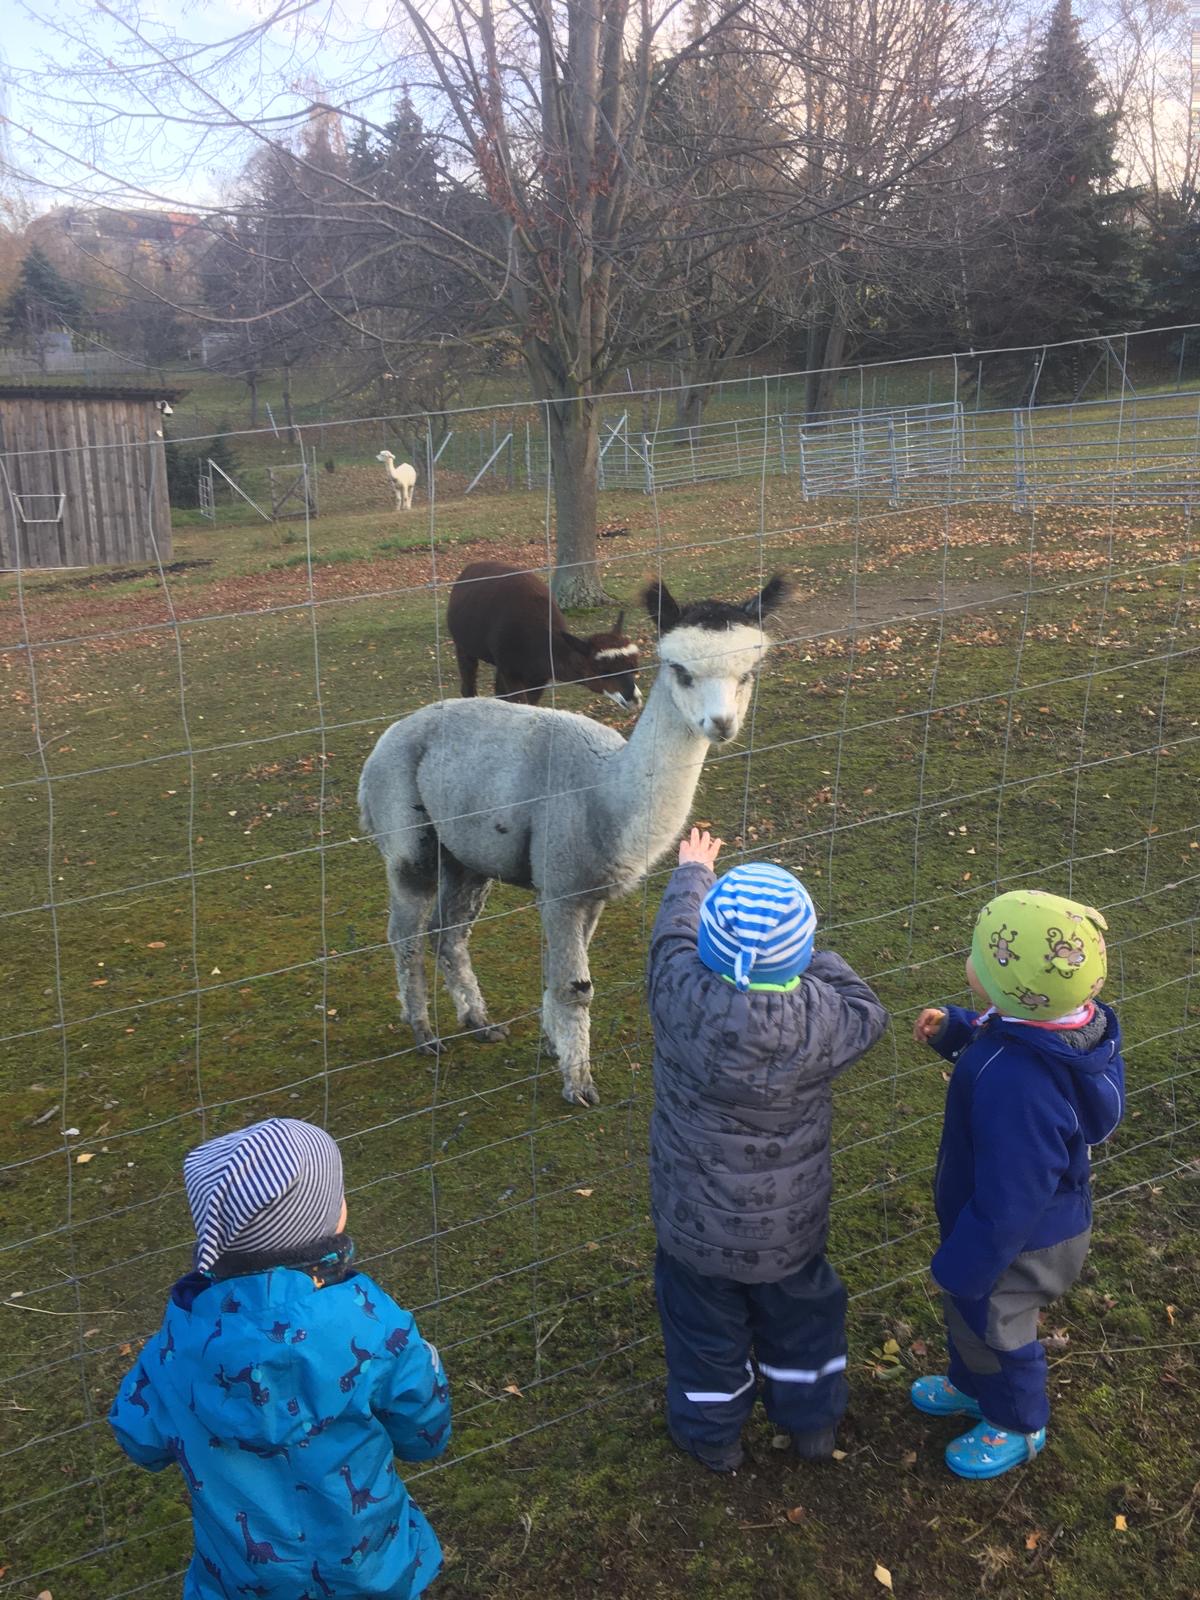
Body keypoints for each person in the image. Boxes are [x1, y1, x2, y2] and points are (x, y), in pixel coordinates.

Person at [109, 1117, 450, 1598]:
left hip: (242, 1583)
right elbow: (425, 1434)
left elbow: (137, 1437)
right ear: (329, 1223)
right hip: (372, 1572)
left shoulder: (178, 1345)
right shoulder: (373, 1324)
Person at [646, 827, 889, 1473]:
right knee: (803, 1324)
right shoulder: (822, 1020)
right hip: (790, 1232)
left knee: (704, 1338)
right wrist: (809, 957)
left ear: (705, 947)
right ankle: (812, 1426)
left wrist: (694, 872)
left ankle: (713, 1438)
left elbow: (671, 933)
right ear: (800, 953)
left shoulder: (676, 991)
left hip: (693, 1231)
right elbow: (867, 1007)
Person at [911, 889, 1125, 1480]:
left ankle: (1017, 1421)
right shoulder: (1061, 1029)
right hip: (1010, 1221)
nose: (970, 959)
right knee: (969, 1311)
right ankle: (970, 1384)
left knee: (998, 1323)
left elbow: (1013, 1196)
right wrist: (957, 1029)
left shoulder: (1016, 1085)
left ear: (1011, 983)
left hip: (1020, 1238)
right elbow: (998, 1033)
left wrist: (969, 1259)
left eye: (981, 953)